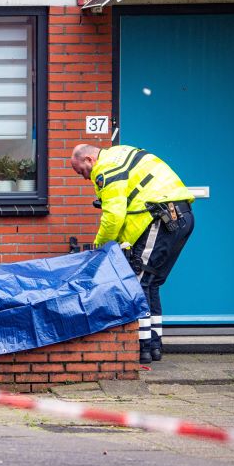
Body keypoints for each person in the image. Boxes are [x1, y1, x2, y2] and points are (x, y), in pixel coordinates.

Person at [70, 144, 194, 364]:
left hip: (161, 218)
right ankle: (154, 345)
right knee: (150, 282)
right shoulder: (120, 154)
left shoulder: (105, 168)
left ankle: (142, 347)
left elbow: (114, 215)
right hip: (179, 217)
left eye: (82, 172)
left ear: (89, 160)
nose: (85, 179)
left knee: (137, 282)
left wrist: (100, 246)